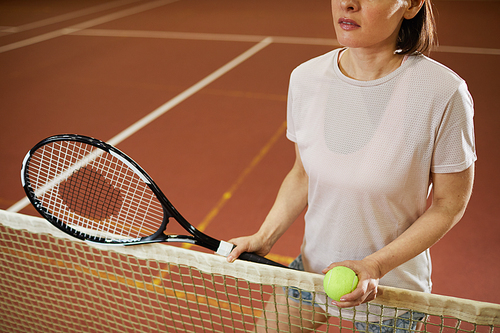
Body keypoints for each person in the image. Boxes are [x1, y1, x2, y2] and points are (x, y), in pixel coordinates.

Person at [227, 0, 476, 331]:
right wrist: (266, 235)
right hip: (314, 272)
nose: (348, 3)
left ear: (412, 5)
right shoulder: (305, 79)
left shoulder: (443, 93)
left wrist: (374, 265)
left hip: (391, 294)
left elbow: (449, 205)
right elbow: (303, 174)